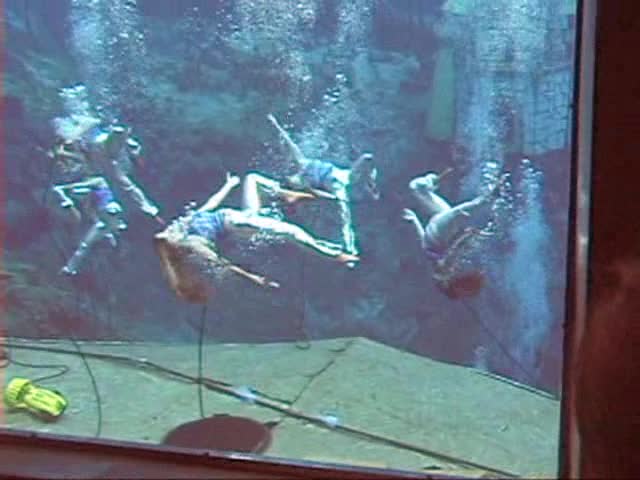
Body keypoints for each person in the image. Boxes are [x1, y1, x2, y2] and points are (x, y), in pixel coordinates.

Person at [154, 172, 359, 304]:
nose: (169, 228)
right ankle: (334, 255)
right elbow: (221, 264)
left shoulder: (187, 222)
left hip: (244, 216)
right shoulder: (192, 243)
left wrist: (229, 185)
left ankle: (287, 195)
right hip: (239, 225)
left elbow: (211, 204)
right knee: (292, 232)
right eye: (168, 233)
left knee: (252, 179)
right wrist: (253, 279)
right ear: (173, 244)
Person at [267, 113, 379, 264]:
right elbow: (324, 196)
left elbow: (290, 145)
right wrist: (275, 125)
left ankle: (350, 247)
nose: (291, 179)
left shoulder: (303, 165)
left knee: (365, 161)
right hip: (337, 180)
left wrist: (276, 125)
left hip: (338, 177)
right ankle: (350, 249)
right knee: (344, 215)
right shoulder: (305, 179)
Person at [403, 168, 503, 297]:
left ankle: (433, 181)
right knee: (470, 206)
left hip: (438, 223)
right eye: (440, 281)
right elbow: (453, 250)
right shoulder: (444, 267)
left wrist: (414, 219)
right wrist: (466, 235)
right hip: (439, 228)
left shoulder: (438, 264)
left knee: (415, 188)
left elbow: (426, 242)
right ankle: (492, 196)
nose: (436, 278)